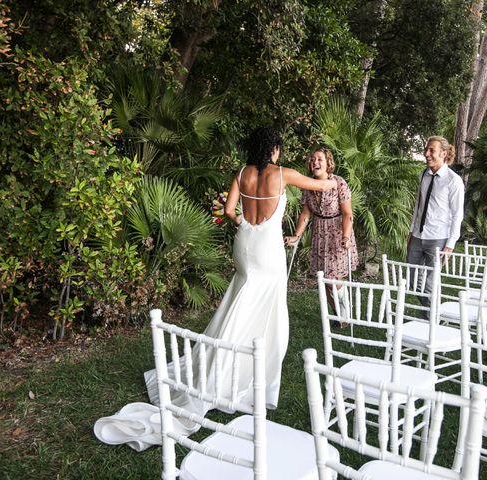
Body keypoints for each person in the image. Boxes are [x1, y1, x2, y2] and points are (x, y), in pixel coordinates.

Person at [94, 127, 336, 451]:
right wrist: (334, 179)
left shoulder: (242, 173)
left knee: (240, 298)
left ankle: (224, 361)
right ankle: (238, 374)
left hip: (245, 244)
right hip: (268, 250)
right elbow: (322, 185)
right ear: (275, 150)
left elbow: (228, 211)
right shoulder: (284, 174)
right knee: (264, 310)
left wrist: (245, 226)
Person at [285, 147, 358, 318]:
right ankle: (336, 314)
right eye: (312, 159)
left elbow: (348, 214)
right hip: (320, 232)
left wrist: (346, 237)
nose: (315, 162)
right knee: (324, 279)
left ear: (328, 163)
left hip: (338, 233)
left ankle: (346, 311)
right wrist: (297, 236)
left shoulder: (339, 183)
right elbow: (305, 214)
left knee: (334, 279)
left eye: (319, 159)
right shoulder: (308, 185)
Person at [407, 135, 464, 311]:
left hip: (438, 239)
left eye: (431, 150)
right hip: (417, 235)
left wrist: (450, 246)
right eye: (426, 149)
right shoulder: (424, 174)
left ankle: (433, 322)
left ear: (444, 153)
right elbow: (418, 205)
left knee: (430, 285)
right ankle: (434, 315)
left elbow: (457, 215)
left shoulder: (454, 181)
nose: (427, 153)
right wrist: (411, 231)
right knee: (411, 280)